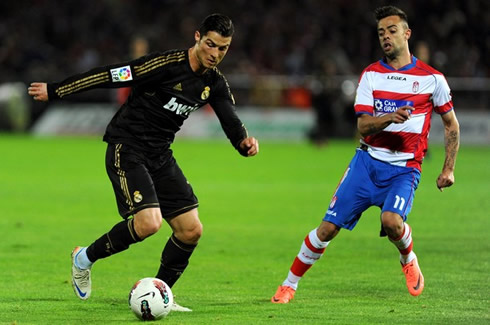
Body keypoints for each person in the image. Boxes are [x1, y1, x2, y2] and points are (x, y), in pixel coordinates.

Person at [28, 13, 259, 311]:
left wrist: (244, 143)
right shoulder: (163, 65)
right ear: (197, 37)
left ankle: (162, 293)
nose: (215, 54)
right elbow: (110, 75)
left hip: (160, 155)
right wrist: (58, 90)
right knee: (149, 223)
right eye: (211, 44)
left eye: (223, 48)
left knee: (191, 230)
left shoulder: (214, 83)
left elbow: (230, 119)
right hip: (127, 148)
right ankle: (82, 258)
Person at [271, 5, 459, 303]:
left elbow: (451, 125)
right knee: (327, 229)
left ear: (407, 34)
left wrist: (448, 169)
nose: (386, 36)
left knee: (392, 222)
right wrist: (389, 118)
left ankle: (408, 258)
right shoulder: (371, 75)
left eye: (392, 30)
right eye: (381, 32)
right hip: (367, 163)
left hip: (404, 168)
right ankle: (289, 283)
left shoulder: (432, 79)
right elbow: (362, 125)